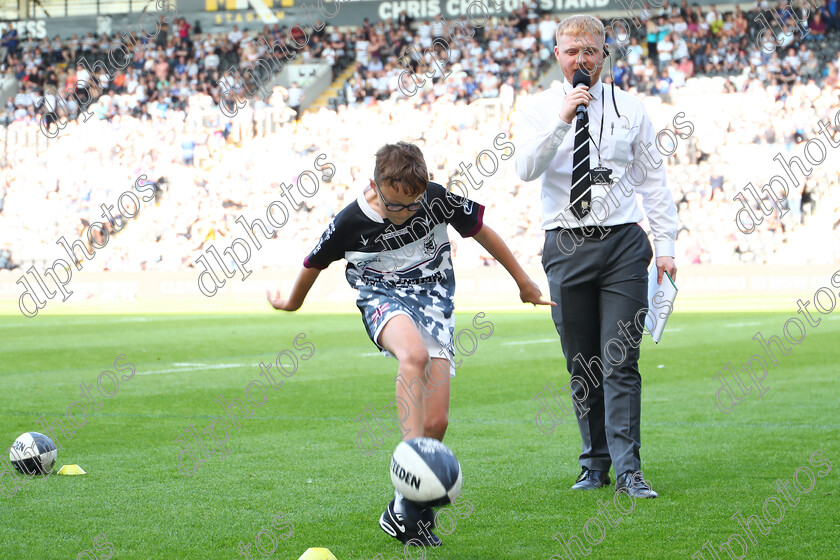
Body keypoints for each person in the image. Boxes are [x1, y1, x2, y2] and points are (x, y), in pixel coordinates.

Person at [267, 142, 553, 546]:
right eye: (395, 206)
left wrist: (523, 281)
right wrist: (291, 304)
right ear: (375, 187)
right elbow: (313, 263)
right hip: (380, 294)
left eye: (413, 206)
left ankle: (406, 506)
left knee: (436, 424)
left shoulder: (434, 199)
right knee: (412, 355)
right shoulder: (350, 220)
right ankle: (409, 461)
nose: (404, 214)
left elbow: (482, 232)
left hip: (435, 302)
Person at [512, 15, 678, 499]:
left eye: (590, 51)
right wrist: (563, 119)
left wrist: (665, 248)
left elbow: (653, 181)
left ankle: (629, 471)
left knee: (621, 360)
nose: (581, 60)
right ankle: (594, 463)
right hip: (565, 243)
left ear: (604, 53)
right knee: (581, 362)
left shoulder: (632, 108)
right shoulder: (539, 108)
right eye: (571, 51)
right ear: (556, 54)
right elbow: (525, 168)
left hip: (624, 242)